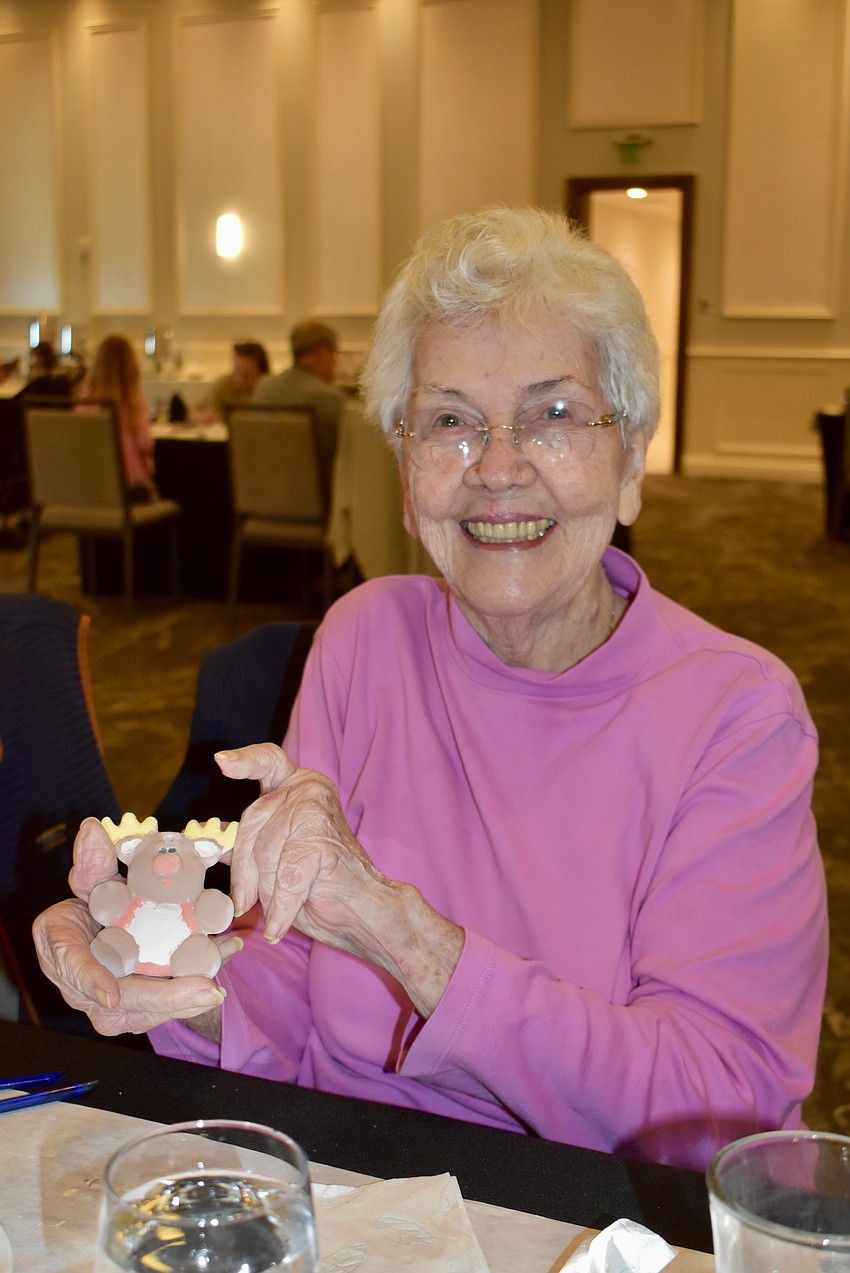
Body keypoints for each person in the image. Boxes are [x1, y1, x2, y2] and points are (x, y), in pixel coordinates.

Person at [33, 207, 828, 1173]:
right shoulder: (365, 635)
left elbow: (719, 1110)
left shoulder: (735, 714)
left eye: (555, 413)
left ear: (629, 467)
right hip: (347, 1178)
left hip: (582, 1207)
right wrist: (158, 957)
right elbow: (283, 964)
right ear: (408, 480)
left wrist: (409, 938)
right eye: (450, 420)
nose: (497, 468)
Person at [251, 320, 345, 479]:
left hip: (261, 490)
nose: (335, 363)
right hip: (317, 497)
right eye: (334, 354)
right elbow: (346, 455)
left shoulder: (263, 388)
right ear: (321, 353)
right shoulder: (329, 398)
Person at [77, 334, 157, 500]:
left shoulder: (84, 401)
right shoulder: (134, 403)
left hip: (90, 490)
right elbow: (145, 444)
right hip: (128, 490)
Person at [195, 340, 270, 422]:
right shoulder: (224, 385)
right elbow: (192, 413)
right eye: (236, 373)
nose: (240, 380)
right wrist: (202, 417)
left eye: (246, 375)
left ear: (263, 375)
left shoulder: (271, 392)